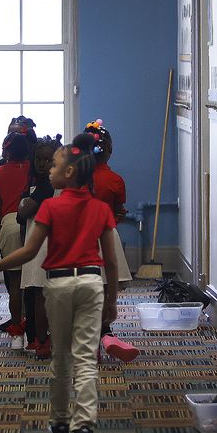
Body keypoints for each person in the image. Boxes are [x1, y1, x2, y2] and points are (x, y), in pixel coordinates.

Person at [0, 133, 120, 433]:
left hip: (58, 285)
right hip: (91, 284)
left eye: (55, 165)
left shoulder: (51, 207)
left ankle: (59, 422)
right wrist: (112, 302)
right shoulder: (100, 209)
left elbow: (28, 253)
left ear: (69, 173)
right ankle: (84, 429)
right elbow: (110, 262)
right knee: (85, 358)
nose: (49, 169)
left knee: (61, 358)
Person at [84, 120, 139, 363]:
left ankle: (89, 338)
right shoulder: (115, 180)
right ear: (110, 151)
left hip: (80, 239)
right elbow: (117, 210)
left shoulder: (74, 177)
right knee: (106, 286)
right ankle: (105, 332)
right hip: (106, 235)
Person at [17, 134, 63, 359]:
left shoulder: (45, 187)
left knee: (41, 296)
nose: (44, 165)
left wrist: (23, 205)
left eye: (49, 160)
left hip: (43, 248)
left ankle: (44, 341)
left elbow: (22, 214)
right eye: (39, 160)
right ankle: (46, 340)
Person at [0, 131, 31, 349]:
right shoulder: (36, 171)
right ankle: (38, 331)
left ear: (6, 151)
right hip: (34, 225)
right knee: (36, 283)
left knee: (14, 283)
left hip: (9, 225)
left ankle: (16, 332)